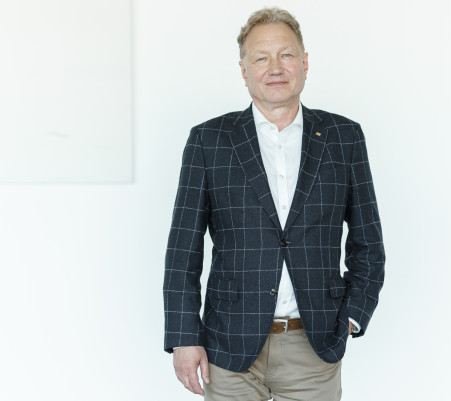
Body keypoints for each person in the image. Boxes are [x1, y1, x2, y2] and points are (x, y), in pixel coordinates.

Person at [163, 7, 385, 400]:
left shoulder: (344, 137)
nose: (275, 68)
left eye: (286, 55)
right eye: (261, 58)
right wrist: (183, 336)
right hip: (228, 345)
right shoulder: (209, 141)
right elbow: (184, 250)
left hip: (314, 345)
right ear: (244, 70)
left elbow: (368, 242)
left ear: (305, 63)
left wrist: (352, 315)